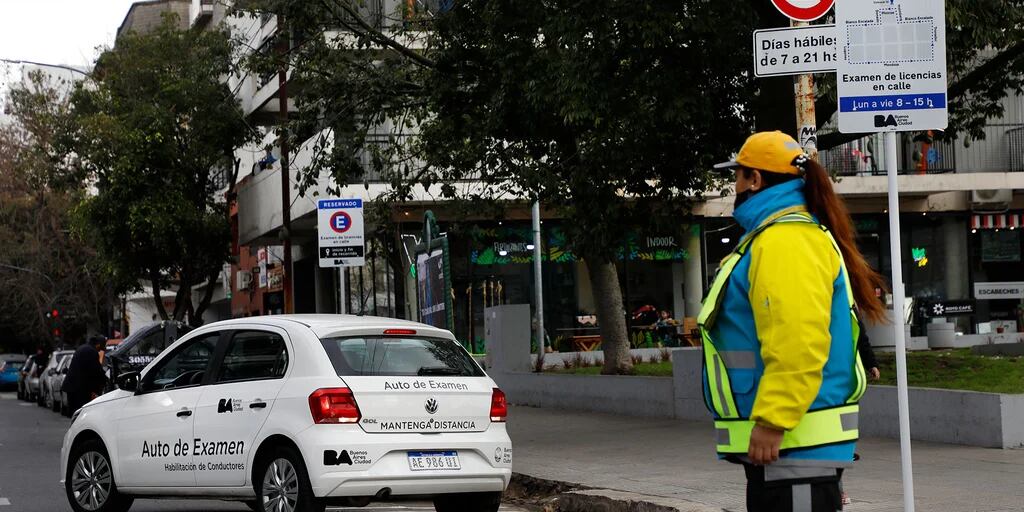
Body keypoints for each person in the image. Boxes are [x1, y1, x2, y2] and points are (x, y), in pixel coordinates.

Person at [700, 131, 888, 511]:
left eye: (737, 176)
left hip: (794, 449)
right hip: (793, 451)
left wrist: (773, 420)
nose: (733, 186)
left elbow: (797, 340)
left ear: (755, 180)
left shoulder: (784, 241)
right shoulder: (780, 236)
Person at [62, 335, 108, 416]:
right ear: (98, 345)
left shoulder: (83, 348)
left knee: (74, 414)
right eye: (100, 349)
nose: (99, 351)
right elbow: (96, 371)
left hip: (72, 387)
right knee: (81, 414)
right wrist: (106, 380)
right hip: (79, 390)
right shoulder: (91, 352)